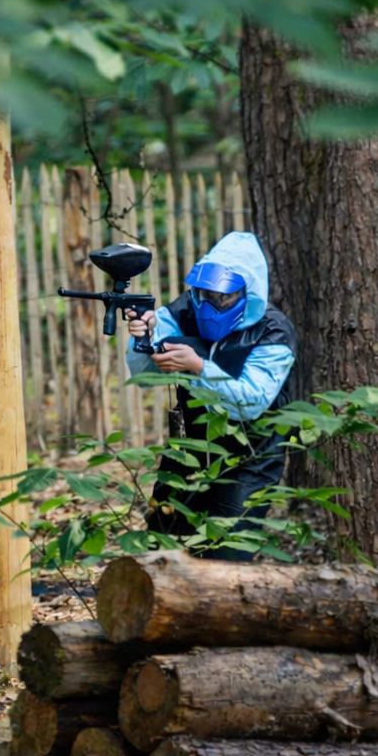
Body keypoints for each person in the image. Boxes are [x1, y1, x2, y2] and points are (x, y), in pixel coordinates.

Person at [126, 230, 298, 554]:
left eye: (223, 297)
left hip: (251, 458)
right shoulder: (182, 312)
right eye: (204, 293)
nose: (210, 304)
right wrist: (143, 336)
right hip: (190, 450)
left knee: (226, 556)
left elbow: (251, 403)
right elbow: (144, 376)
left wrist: (198, 367)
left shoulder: (274, 332)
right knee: (161, 551)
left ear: (247, 291)